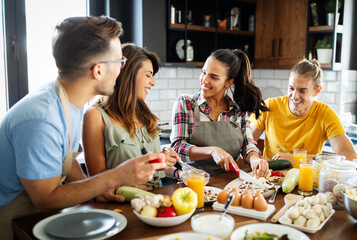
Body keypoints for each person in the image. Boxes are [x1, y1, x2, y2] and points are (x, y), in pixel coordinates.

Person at [0, 16, 166, 239]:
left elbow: (66, 162)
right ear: (98, 70)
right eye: (120, 61)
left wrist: (98, 190)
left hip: (38, 216)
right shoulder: (42, 119)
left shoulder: (68, 103)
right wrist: (115, 176)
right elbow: (47, 200)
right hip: (14, 222)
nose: (122, 68)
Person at [82, 43, 180, 199]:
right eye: (148, 75)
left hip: (156, 198)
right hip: (122, 203)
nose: (153, 82)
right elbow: (97, 180)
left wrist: (163, 160)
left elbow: (151, 168)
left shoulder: (145, 115)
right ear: (127, 73)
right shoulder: (95, 115)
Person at [170, 49, 270, 177]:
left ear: (228, 82)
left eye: (213, 77)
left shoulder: (237, 110)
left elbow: (248, 145)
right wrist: (212, 150)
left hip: (228, 183)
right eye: (204, 72)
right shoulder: (186, 103)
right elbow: (177, 148)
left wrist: (255, 159)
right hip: (193, 182)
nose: (204, 80)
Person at [250, 58, 357, 161]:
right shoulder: (269, 106)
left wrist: (297, 159)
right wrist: (256, 159)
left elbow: (350, 157)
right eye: (291, 88)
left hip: (308, 179)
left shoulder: (325, 114)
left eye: (302, 91)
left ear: (317, 91)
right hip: (269, 177)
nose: (295, 96)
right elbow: (246, 144)